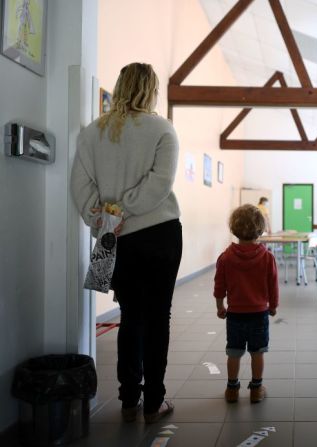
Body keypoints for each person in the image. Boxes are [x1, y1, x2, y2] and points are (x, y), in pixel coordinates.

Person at [70, 62, 181, 424]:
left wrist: (105, 218)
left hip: (111, 238)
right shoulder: (163, 129)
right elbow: (159, 185)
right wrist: (125, 209)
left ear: (118, 87)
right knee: (157, 316)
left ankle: (129, 398)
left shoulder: (91, 133)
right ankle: (155, 401)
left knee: (130, 315)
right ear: (151, 90)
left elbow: (80, 188)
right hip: (158, 232)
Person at [213, 204, 279, 403]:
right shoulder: (267, 257)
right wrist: (273, 306)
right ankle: (256, 389)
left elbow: (219, 285)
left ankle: (232, 389)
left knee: (234, 352)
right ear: (260, 229)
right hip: (259, 314)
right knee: (257, 353)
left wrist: (220, 307)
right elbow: (273, 285)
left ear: (233, 228)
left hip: (235, 315)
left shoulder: (225, 257)